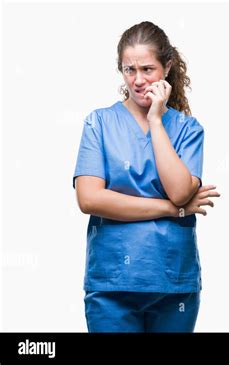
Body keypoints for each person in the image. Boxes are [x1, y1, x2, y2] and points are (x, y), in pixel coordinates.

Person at [73, 21, 220, 332]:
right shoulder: (98, 124)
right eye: (129, 70)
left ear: (166, 67)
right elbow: (90, 199)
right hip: (112, 286)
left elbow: (179, 191)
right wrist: (171, 209)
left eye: (148, 69)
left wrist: (156, 119)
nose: (138, 80)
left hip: (172, 283)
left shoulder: (187, 130)